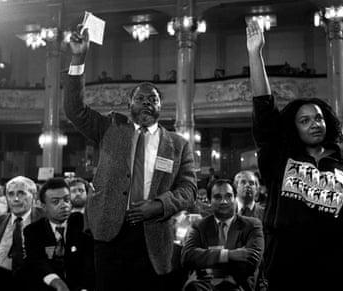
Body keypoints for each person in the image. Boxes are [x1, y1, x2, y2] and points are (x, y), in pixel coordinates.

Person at [64, 27, 197, 291]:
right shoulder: (110, 130)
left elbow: (189, 190)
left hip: (154, 235)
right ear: (129, 104)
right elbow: (74, 110)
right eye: (141, 98)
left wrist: (160, 205)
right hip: (109, 231)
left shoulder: (178, 144)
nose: (148, 102)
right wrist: (78, 59)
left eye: (154, 99)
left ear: (161, 107)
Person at [247, 20, 343, 291]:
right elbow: (265, 112)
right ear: (294, 128)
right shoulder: (282, 157)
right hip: (285, 266)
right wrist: (256, 55)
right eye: (304, 120)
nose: (314, 123)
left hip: (333, 269)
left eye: (318, 118)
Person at [181, 179, 264, 291]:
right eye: (218, 197)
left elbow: (252, 260)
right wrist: (228, 255)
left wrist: (208, 262)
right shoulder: (199, 226)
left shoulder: (252, 225)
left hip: (238, 284)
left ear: (235, 199)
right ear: (209, 201)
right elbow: (188, 256)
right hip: (204, 285)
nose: (224, 201)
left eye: (229, 196)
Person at [23, 177, 94, 291]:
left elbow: (89, 264)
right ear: (43, 206)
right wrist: (57, 282)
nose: (64, 205)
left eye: (66, 199)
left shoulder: (82, 225)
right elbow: (37, 263)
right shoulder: (33, 231)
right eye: (56, 202)